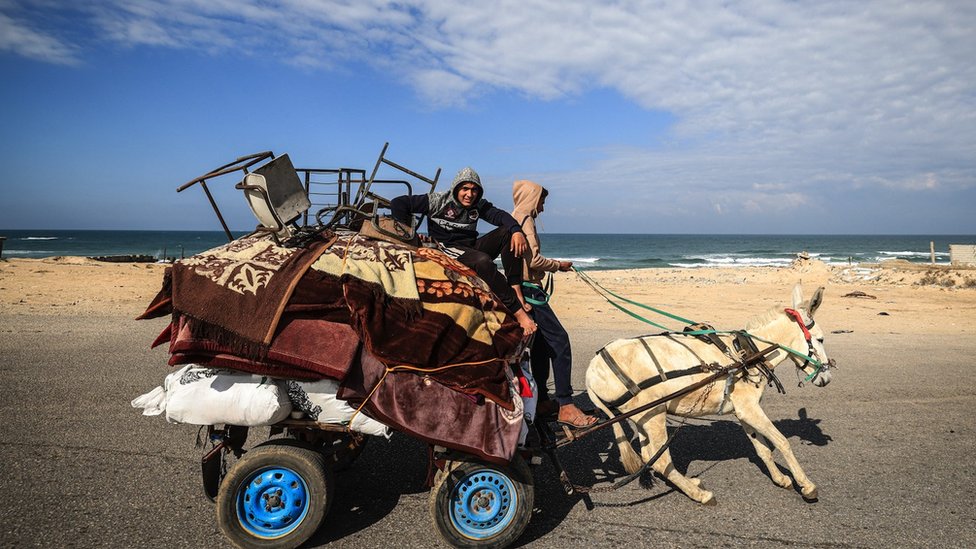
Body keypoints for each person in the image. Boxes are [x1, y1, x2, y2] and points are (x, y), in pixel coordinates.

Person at [390, 167, 537, 336]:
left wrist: (517, 231)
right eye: (465, 189)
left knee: (507, 232)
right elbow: (398, 203)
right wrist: (411, 237)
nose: (469, 194)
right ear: (456, 188)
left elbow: (501, 216)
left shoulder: (478, 205)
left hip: (469, 247)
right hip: (448, 248)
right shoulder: (438, 201)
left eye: (474, 190)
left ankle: (515, 287)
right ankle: (518, 312)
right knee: (482, 261)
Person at [511, 179, 596, 428]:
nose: (543, 208)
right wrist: (558, 265)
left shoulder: (516, 217)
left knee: (540, 347)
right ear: (532, 198)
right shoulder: (524, 219)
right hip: (530, 292)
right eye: (542, 201)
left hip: (526, 289)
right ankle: (566, 405)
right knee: (560, 341)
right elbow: (534, 261)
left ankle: (541, 401)